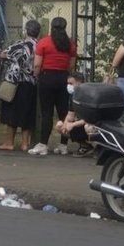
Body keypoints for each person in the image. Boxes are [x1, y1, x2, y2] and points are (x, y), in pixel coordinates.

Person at [31, 16, 77, 155]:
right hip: (63, 78)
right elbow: (71, 65)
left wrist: (37, 75)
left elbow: (37, 64)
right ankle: (63, 145)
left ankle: (43, 144)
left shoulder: (44, 42)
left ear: (51, 27)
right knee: (64, 112)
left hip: (47, 77)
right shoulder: (71, 44)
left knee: (47, 113)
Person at [0, 20, 40, 152]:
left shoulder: (21, 44)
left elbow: (3, 54)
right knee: (27, 113)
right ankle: (25, 144)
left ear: (26, 30)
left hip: (16, 82)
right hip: (31, 83)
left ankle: (9, 142)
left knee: (12, 112)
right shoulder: (39, 45)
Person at [55, 72, 94, 158]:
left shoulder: (88, 96)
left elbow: (89, 118)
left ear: (79, 84)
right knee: (59, 126)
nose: (68, 86)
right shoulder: (72, 96)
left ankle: (100, 148)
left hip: (93, 123)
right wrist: (65, 124)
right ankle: (85, 146)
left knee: (89, 127)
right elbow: (70, 115)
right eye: (68, 83)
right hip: (80, 123)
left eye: (71, 83)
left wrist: (72, 124)